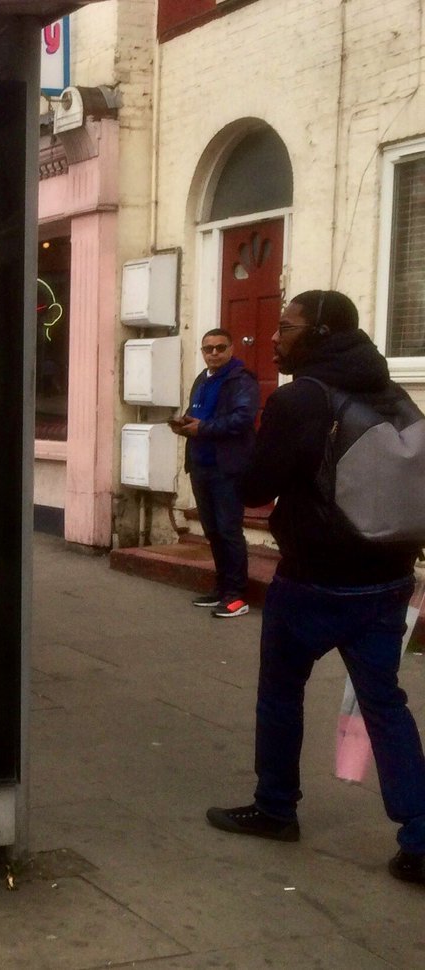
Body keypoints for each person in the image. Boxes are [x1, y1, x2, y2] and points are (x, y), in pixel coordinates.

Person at [206, 290, 425, 886]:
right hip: (388, 577)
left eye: (286, 327)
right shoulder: (391, 393)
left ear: (320, 333)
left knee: (280, 693)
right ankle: (421, 837)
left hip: (315, 582)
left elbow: (254, 488)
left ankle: (276, 808)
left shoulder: (303, 398)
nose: (274, 338)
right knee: (385, 702)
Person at [169, 328, 259, 618]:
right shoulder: (202, 379)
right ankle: (222, 588)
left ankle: (237, 595)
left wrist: (202, 428)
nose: (214, 353)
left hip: (227, 468)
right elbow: (200, 415)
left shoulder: (241, 380)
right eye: (208, 349)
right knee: (213, 531)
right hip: (201, 465)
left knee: (229, 530)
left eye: (220, 348)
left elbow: (243, 419)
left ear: (231, 349)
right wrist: (185, 423)